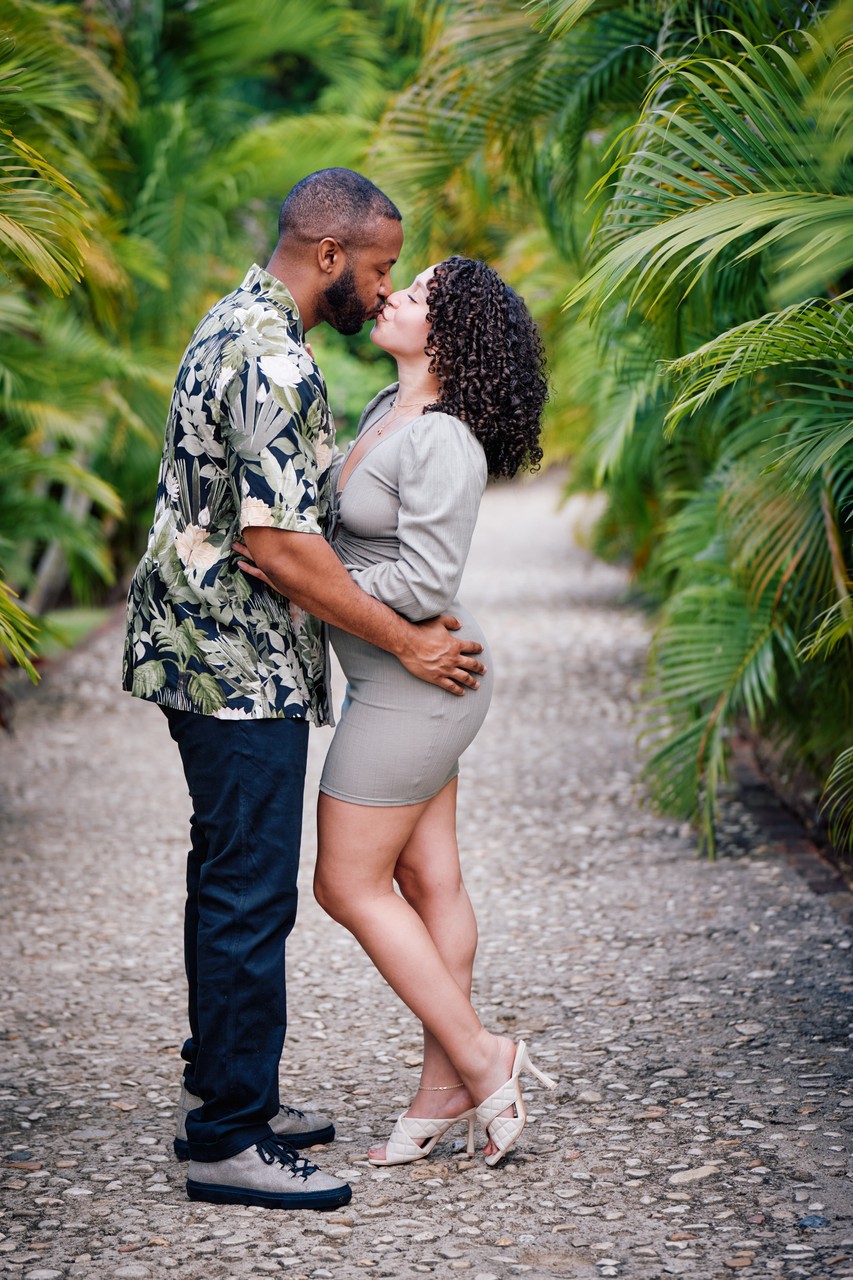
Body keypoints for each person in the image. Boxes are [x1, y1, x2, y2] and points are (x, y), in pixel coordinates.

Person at [122, 169, 487, 1212]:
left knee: (223, 875)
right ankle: (228, 1139)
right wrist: (409, 646)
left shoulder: (240, 320)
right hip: (234, 664)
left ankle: (224, 1090)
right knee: (250, 890)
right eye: (377, 267)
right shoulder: (275, 358)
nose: (381, 289)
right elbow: (282, 548)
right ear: (329, 255)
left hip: (204, 651)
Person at [237, 256, 554, 1167]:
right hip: (394, 677)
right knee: (428, 880)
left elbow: (425, 581)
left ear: (447, 337)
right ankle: (443, 1091)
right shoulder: (388, 408)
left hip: (421, 683)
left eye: (414, 295)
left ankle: (483, 1056)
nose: (391, 296)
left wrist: (306, 583)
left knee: (345, 885)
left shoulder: (444, 439)